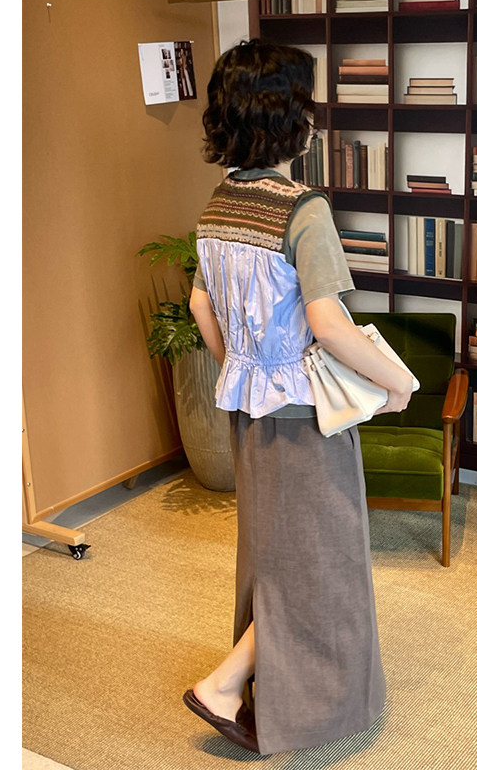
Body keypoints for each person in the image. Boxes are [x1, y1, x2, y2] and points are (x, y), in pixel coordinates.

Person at [184, 38, 414, 756]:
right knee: (321, 559)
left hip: (250, 413)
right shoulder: (302, 210)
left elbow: (200, 306)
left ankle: (255, 689)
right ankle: (226, 685)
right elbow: (328, 322)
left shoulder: (220, 204)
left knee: (278, 556)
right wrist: (397, 381)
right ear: (291, 119)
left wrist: (244, 368)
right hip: (303, 418)